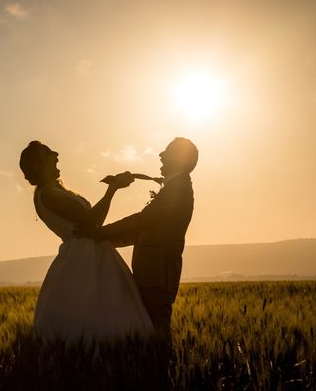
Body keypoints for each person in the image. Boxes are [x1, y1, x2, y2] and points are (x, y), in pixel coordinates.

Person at [19, 140, 154, 344]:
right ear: (38, 164)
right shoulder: (47, 194)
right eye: (48, 153)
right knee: (100, 309)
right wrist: (113, 189)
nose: (56, 154)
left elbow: (91, 221)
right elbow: (92, 220)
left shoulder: (53, 192)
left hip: (86, 251)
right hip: (83, 254)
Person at [77, 137, 197, 346]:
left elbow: (143, 220)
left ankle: (160, 372)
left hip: (159, 273)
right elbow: (143, 230)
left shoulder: (179, 188)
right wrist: (104, 240)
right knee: (150, 330)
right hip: (153, 272)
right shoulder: (175, 187)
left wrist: (99, 234)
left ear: (180, 158)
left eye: (167, 151)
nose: (161, 155)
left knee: (157, 329)